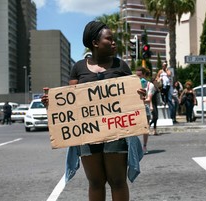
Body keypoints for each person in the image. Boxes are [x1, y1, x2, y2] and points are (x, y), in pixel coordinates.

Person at [42, 21, 144, 201]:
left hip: (116, 133)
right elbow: (70, 103)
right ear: (95, 43)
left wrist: (138, 96)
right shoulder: (78, 68)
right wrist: (51, 104)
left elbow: (130, 98)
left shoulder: (121, 67)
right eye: (109, 39)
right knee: (95, 182)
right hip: (88, 135)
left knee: (118, 181)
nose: (114, 43)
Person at [136, 67, 157, 153]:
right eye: (137, 76)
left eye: (140, 75)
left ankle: (144, 146)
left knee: (146, 127)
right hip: (136, 108)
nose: (138, 77)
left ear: (144, 75)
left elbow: (149, 99)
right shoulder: (134, 85)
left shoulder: (150, 85)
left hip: (145, 108)